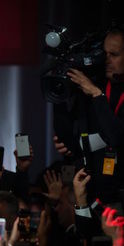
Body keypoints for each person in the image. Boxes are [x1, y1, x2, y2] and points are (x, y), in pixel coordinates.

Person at [53, 27, 124, 203]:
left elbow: (116, 137)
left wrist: (96, 94)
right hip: (91, 188)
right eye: (104, 53)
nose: (106, 60)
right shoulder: (93, 85)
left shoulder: (94, 90)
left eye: (113, 54)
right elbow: (74, 137)